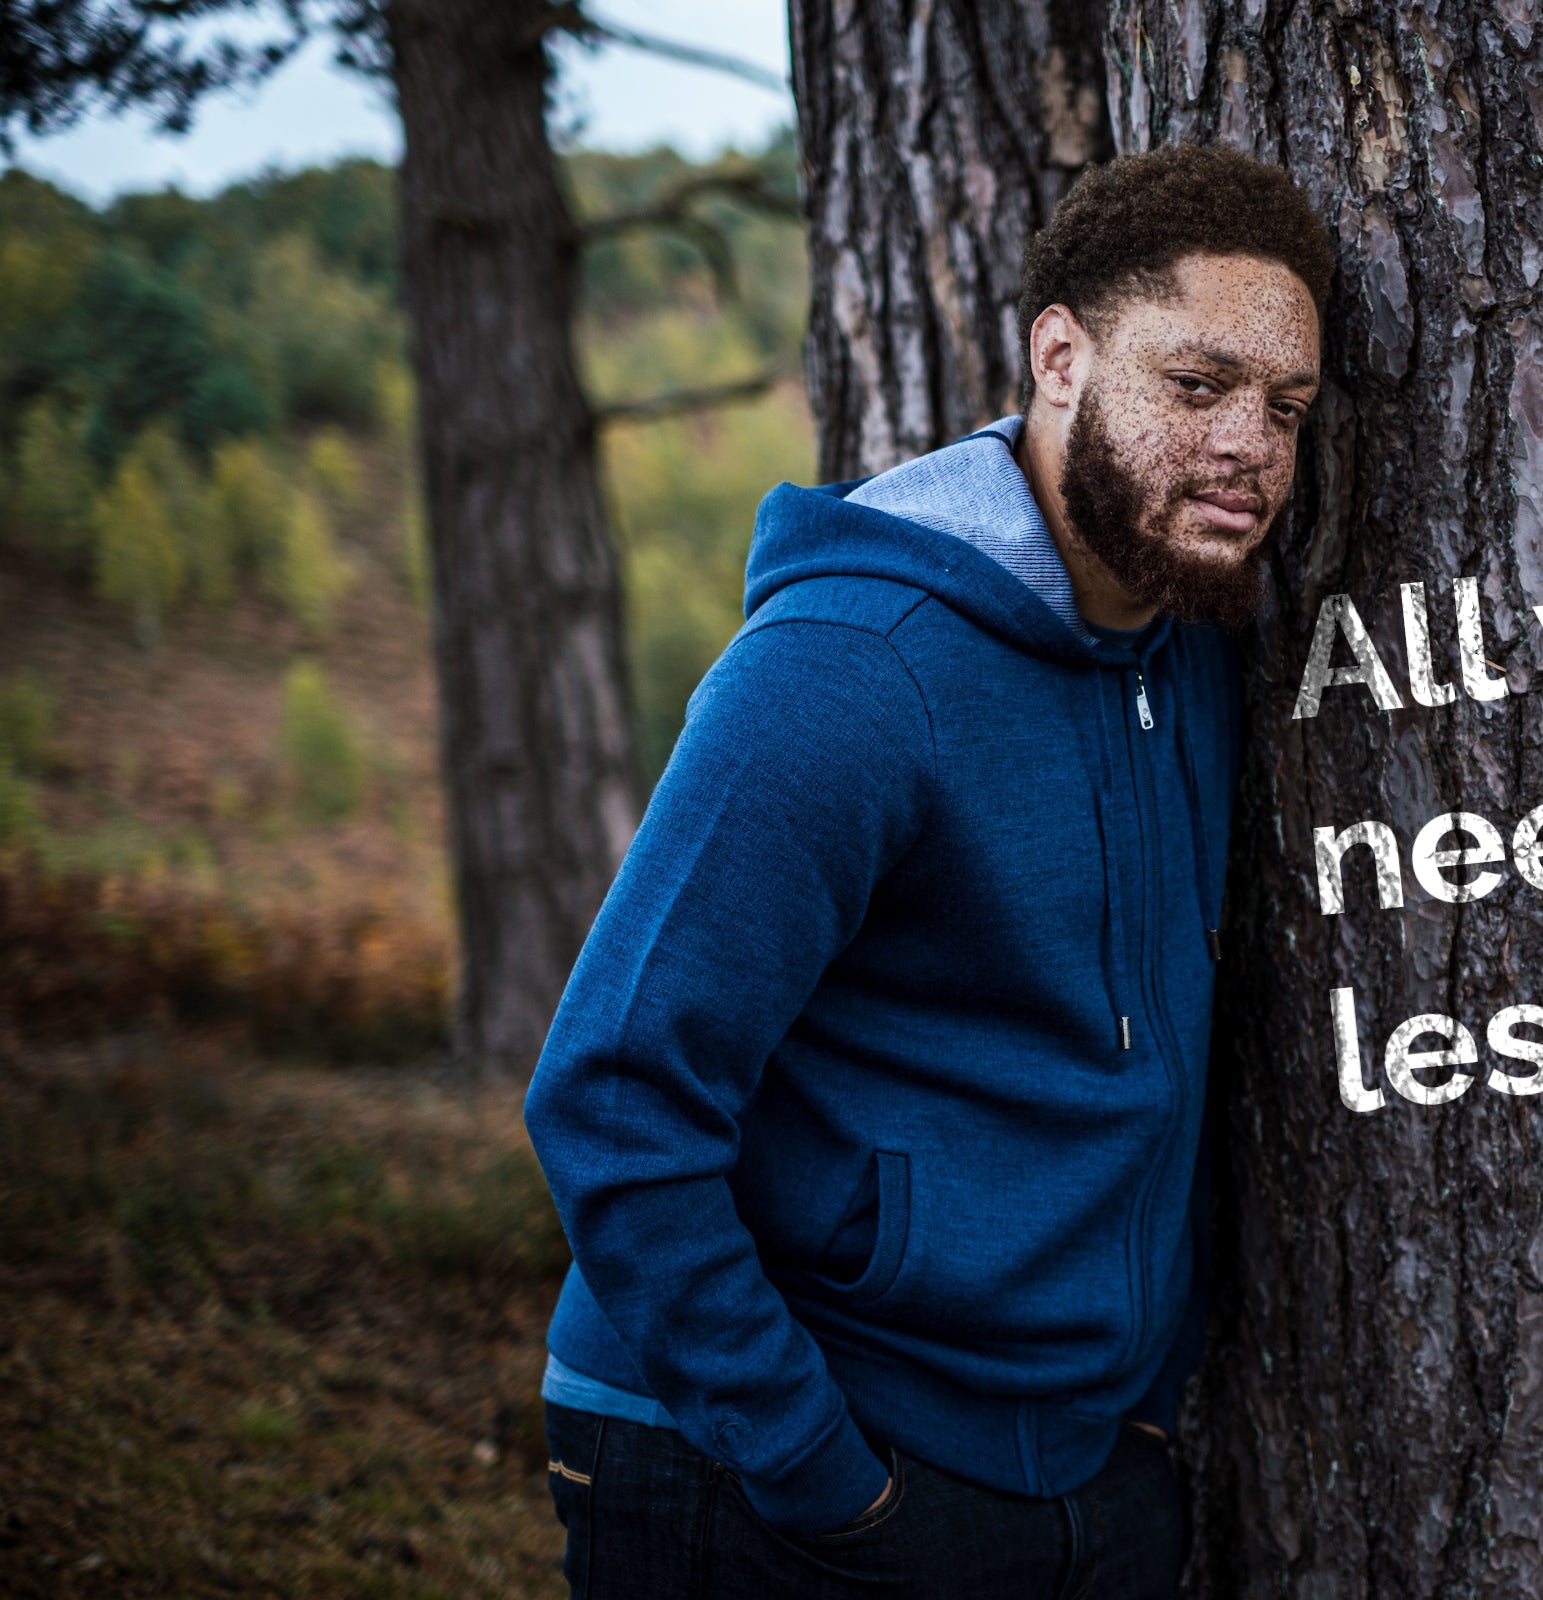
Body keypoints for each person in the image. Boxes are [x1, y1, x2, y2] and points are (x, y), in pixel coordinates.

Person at [522, 142, 1331, 1598]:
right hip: (768, 1475)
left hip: (1084, 1471)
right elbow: (614, 1092)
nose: (1251, 448)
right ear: (1061, 357)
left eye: (1287, 406)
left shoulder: (1186, 644)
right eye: (1199, 385)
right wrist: (825, 1480)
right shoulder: (850, 671)